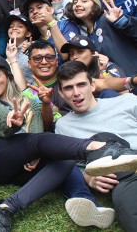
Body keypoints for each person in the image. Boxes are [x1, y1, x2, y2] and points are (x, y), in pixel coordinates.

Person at [0, 55, 137, 232]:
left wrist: (35, 154)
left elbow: (37, 132)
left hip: (27, 166)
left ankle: (9, 208)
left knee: (63, 159)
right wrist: (14, 122)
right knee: (41, 141)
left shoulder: (31, 103)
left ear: (7, 75)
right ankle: (97, 147)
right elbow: (3, 128)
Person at [55, 60, 137, 231]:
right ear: (61, 93)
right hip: (124, 178)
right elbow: (71, 166)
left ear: (92, 85)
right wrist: (88, 177)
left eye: (81, 84)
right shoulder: (63, 126)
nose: (76, 93)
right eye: (69, 88)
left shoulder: (127, 101)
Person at [65, 0, 137, 76]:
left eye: (84, 1)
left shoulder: (107, 19)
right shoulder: (88, 34)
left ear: (95, 5)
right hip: (119, 84)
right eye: (75, 2)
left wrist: (121, 21)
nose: (77, 4)